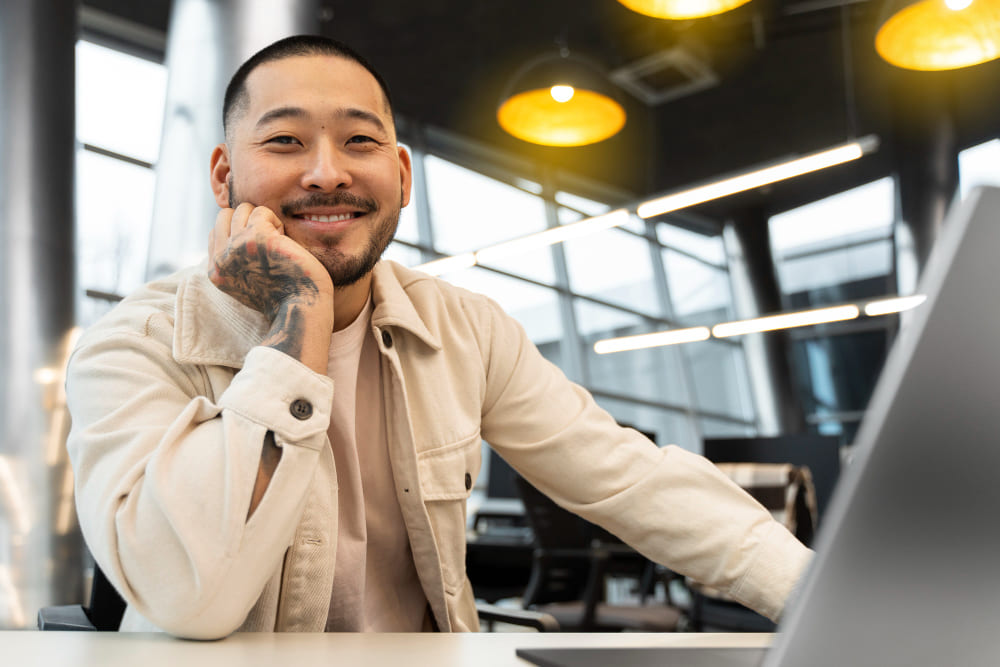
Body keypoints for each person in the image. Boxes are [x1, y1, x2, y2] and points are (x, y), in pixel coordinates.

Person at [65, 35, 811, 640]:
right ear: (224, 173)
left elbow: (632, 479)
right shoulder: (133, 345)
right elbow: (193, 598)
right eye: (286, 140)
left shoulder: (467, 330)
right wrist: (298, 313)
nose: (327, 173)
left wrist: (826, 597)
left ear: (401, 174)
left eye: (359, 141)